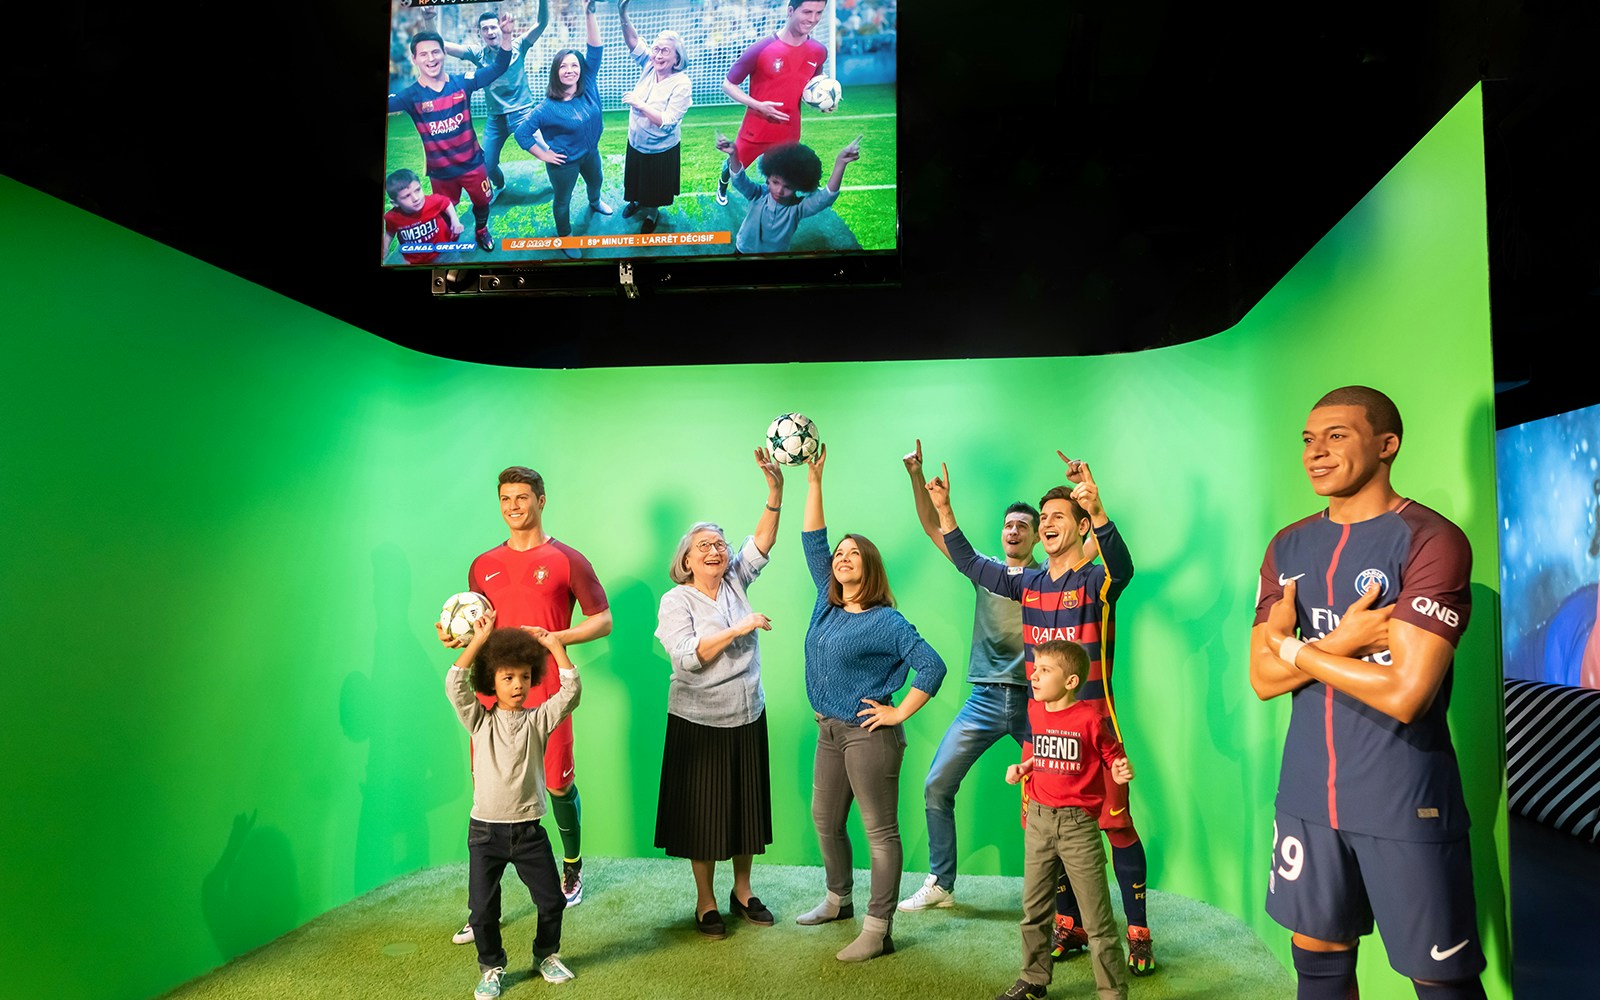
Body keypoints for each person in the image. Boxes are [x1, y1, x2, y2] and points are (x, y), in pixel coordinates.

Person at [1250, 385, 1487, 999]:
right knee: (1318, 961)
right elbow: (1262, 679)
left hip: (1402, 798)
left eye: (1336, 436)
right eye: (1308, 439)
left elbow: (1407, 693)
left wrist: (1297, 649)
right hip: (1306, 794)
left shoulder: (1433, 541)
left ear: (1387, 445)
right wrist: (1338, 644)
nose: (1315, 453)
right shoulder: (1287, 545)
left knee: (1441, 980)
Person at [925, 452, 1156, 976]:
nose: (1048, 524)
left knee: (1114, 825)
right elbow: (969, 563)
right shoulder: (1027, 585)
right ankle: (1069, 924)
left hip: (1096, 733)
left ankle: (1138, 929)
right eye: (1043, 517)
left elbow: (1124, 568)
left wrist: (1099, 512)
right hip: (1041, 736)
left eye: (1058, 517)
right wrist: (944, 507)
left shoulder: (1097, 580)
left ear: (1078, 528)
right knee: (1047, 832)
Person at [439, 466, 612, 944]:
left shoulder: (566, 560)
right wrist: (454, 636)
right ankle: (481, 912)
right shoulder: (482, 564)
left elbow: (603, 619)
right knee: (490, 793)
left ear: (541, 499)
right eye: (505, 499)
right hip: (492, 694)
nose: (514, 506)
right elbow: (474, 623)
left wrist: (560, 636)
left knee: (557, 783)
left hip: (547, 687)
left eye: (522, 497)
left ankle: (572, 866)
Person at [796, 443, 947, 962]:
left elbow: (933, 666)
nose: (839, 558)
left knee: (880, 833)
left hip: (869, 735)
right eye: (838, 554)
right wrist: (813, 482)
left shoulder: (887, 620)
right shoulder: (827, 599)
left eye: (851, 553)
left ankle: (878, 928)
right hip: (829, 731)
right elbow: (813, 540)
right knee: (825, 819)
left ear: (870, 566)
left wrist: (898, 711)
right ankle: (839, 900)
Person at [896, 439, 1040, 913]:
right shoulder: (985, 570)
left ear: (1037, 536)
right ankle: (941, 882)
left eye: (1023, 525)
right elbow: (931, 526)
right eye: (1008, 525)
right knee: (937, 784)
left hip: (1036, 704)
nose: (1013, 530)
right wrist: (918, 478)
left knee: (1059, 797)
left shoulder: (1050, 580)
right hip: (983, 698)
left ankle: (1065, 901)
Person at [652, 449, 785, 938]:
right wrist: (739, 628)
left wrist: (775, 492)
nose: (716, 551)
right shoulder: (676, 600)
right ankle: (705, 900)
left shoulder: (734, 579)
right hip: (698, 721)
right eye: (705, 545)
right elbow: (686, 656)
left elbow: (763, 542)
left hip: (748, 712)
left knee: (745, 808)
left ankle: (742, 891)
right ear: (686, 559)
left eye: (721, 545)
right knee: (704, 815)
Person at [444, 610, 582, 998]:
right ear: (492, 680)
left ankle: (545, 955)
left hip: (528, 832)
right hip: (485, 832)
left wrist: (557, 648)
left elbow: (570, 693)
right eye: (507, 677)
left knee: (552, 900)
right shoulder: (479, 721)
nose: (517, 684)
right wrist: (477, 640)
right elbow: (455, 684)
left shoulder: (539, 720)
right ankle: (491, 966)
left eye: (524, 676)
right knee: (483, 912)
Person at [998, 639, 1132, 1000]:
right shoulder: (1036, 713)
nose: (1034, 676)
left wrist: (1120, 770)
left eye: (1044, 670)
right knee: (1035, 911)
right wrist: (1024, 767)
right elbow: (1044, 756)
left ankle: (1112, 992)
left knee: (1098, 921)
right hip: (1039, 821)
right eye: (1035, 668)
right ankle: (1033, 980)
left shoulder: (1090, 718)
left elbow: (1113, 756)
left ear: (1070, 681)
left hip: (1078, 828)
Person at [387, 27, 513, 253]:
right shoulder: (410, 96)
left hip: (474, 166)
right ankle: (450, 235)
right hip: (441, 174)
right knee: (445, 209)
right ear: (414, 59)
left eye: (435, 52)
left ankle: (481, 231)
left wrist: (507, 35)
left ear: (444, 53)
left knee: (482, 203)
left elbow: (499, 67)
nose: (431, 58)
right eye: (423, 54)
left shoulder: (463, 82)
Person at [514, 1, 613, 260]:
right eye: (563, 67)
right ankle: (565, 236)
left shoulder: (588, 84)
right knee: (562, 201)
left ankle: (594, 202)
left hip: (590, 153)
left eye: (574, 65)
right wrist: (545, 155)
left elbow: (595, 49)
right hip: (564, 162)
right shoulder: (545, 108)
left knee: (597, 181)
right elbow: (522, 134)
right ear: (556, 73)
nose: (570, 70)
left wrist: (589, 13)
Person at [716, 0, 832, 206]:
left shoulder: (818, 51)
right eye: (807, 12)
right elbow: (728, 84)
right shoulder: (761, 49)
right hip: (755, 130)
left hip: (789, 131)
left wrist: (822, 103)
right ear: (790, 11)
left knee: (783, 182)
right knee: (734, 168)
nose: (813, 19)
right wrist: (757, 105)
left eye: (818, 13)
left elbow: (813, 86)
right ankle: (722, 182)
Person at [439, 2, 551, 199]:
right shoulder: (478, 54)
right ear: (480, 33)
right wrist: (429, 19)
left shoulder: (519, 45)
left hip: (522, 114)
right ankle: (499, 185)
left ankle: (559, 185)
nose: (490, 31)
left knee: (549, 154)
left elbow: (542, 23)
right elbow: (441, 45)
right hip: (495, 119)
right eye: (485, 29)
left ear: (501, 28)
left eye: (493, 27)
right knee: (487, 164)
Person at [617, 0, 693, 234]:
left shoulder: (682, 83)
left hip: (661, 149)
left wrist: (639, 104)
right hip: (636, 142)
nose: (657, 54)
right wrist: (623, 14)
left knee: (654, 187)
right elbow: (633, 41)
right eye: (656, 49)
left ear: (677, 58)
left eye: (664, 51)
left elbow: (668, 122)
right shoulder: (650, 65)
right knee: (636, 180)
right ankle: (637, 201)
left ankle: (652, 213)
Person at [715, 135, 860, 254]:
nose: (779, 190)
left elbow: (826, 197)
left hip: (776, 258)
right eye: (775, 182)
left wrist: (840, 163)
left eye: (788, 186)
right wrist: (733, 154)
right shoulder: (758, 195)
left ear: (799, 186)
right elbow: (739, 180)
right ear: (767, 179)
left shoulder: (797, 208)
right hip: (743, 250)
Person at [383, 168, 463, 264]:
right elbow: (390, 232)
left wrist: (455, 220)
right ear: (395, 203)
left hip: (444, 250)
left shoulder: (432, 202)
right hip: (415, 258)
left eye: (417, 190)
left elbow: (447, 203)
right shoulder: (393, 217)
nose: (416, 198)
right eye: (406, 196)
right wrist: (385, 248)